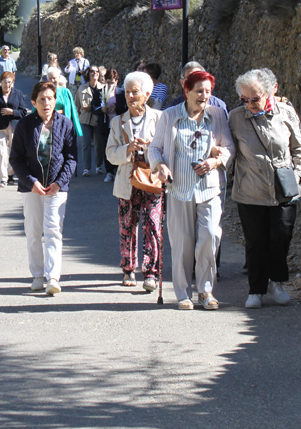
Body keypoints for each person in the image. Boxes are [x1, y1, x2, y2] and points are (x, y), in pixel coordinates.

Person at [148, 69, 233, 310]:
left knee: (210, 236)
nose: (204, 96)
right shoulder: (170, 115)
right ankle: (183, 294)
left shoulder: (217, 115)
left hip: (210, 187)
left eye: (208, 91)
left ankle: (206, 291)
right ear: (186, 91)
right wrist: (160, 166)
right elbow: (154, 148)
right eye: (199, 91)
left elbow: (228, 147)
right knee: (183, 242)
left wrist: (215, 161)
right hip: (179, 187)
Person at [229, 68, 301, 309]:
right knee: (255, 241)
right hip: (250, 191)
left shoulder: (286, 112)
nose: (250, 104)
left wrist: (298, 176)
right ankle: (256, 290)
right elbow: (228, 149)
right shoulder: (235, 118)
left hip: (284, 188)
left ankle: (277, 281)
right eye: (244, 99)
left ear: (269, 92)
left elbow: (299, 149)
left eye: (255, 98)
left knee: (281, 236)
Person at [10, 81, 78, 295]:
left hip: (57, 187)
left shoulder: (65, 124)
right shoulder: (25, 125)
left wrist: (60, 182)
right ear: (34, 103)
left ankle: (53, 278)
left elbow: (71, 158)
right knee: (33, 231)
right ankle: (38, 275)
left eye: (50, 98)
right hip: (31, 188)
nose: (46, 103)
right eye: (42, 99)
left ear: (55, 101)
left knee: (53, 231)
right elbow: (16, 159)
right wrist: (31, 182)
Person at [105, 71, 164, 291]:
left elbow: (168, 150)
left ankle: (151, 273)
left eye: (135, 92)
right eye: (128, 92)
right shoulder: (118, 122)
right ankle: (128, 268)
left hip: (152, 180)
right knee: (127, 225)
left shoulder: (160, 119)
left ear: (147, 94)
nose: (130, 96)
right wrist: (128, 149)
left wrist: (149, 149)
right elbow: (110, 154)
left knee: (153, 225)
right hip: (127, 181)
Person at [0, 72, 28, 187]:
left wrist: (12, 112)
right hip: (0, 127)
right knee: (1, 153)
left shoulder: (18, 94)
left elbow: (23, 111)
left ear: (12, 82)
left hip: (15, 128)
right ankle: (3, 178)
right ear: (0, 82)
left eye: (9, 82)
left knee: (14, 153)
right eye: (5, 82)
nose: (7, 84)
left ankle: (10, 174)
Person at [76, 65, 105, 177]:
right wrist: (79, 117)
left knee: (99, 144)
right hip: (85, 120)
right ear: (88, 74)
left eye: (97, 71)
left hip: (98, 120)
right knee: (86, 144)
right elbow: (77, 105)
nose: (95, 73)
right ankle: (86, 168)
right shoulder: (82, 88)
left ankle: (98, 166)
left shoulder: (103, 87)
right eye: (92, 71)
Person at [46, 68, 83, 137]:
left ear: (59, 77)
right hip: (47, 125)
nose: (52, 80)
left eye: (54, 78)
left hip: (62, 124)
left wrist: (76, 127)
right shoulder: (43, 91)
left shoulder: (65, 92)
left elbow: (72, 109)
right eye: (50, 78)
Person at [98, 68, 119, 183]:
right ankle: (109, 171)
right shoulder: (100, 92)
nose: (110, 84)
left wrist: (117, 107)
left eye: (113, 82)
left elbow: (125, 107)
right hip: (105, 124)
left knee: (118, 146)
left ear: (117, 82)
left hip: (117, 124)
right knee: (107, 147)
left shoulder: (121, 92)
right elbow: (94, 107)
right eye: (108, 82)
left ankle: (117, 170)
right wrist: (102, 109)